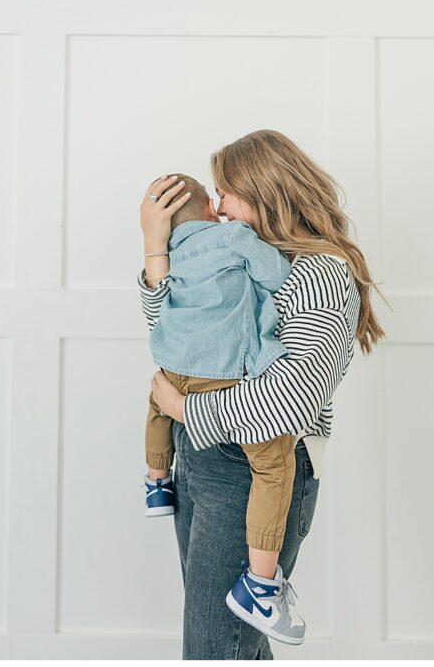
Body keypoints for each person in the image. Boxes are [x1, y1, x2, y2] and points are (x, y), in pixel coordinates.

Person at [139, 130, 384, 659]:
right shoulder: (241, 252)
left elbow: (294, 396)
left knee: (214, 652)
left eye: (226, 192)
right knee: (231, 649)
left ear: (263, 189)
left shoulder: (319, 271)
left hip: (253, 469)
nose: (219, 207)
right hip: (199, 456)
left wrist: (184, 407)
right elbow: (175, 337)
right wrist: (155, 247)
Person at [142, 172, 307, 645]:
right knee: (274, 465)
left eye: (226, 190)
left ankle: (155, 483)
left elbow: (159, 317)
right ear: (209, 210)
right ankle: (261, 587)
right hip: (225, 379)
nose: (220, 202)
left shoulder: (167, 257)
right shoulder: (234, 238)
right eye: (214, 195)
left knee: (157, 402)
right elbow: (278, 277)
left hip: (177, 374)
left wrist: (154, 247)